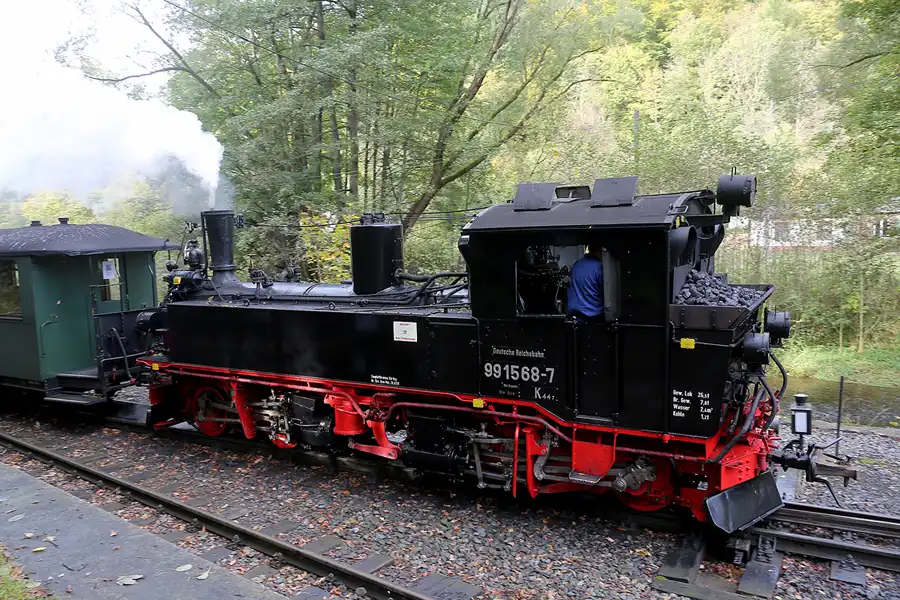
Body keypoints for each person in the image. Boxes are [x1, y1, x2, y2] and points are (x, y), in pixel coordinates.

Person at [567, 244, 604, 321]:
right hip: (594, 314)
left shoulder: (576, 264)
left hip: (576, 313)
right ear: (598, 251)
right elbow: (606, 292)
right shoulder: (599, 266)